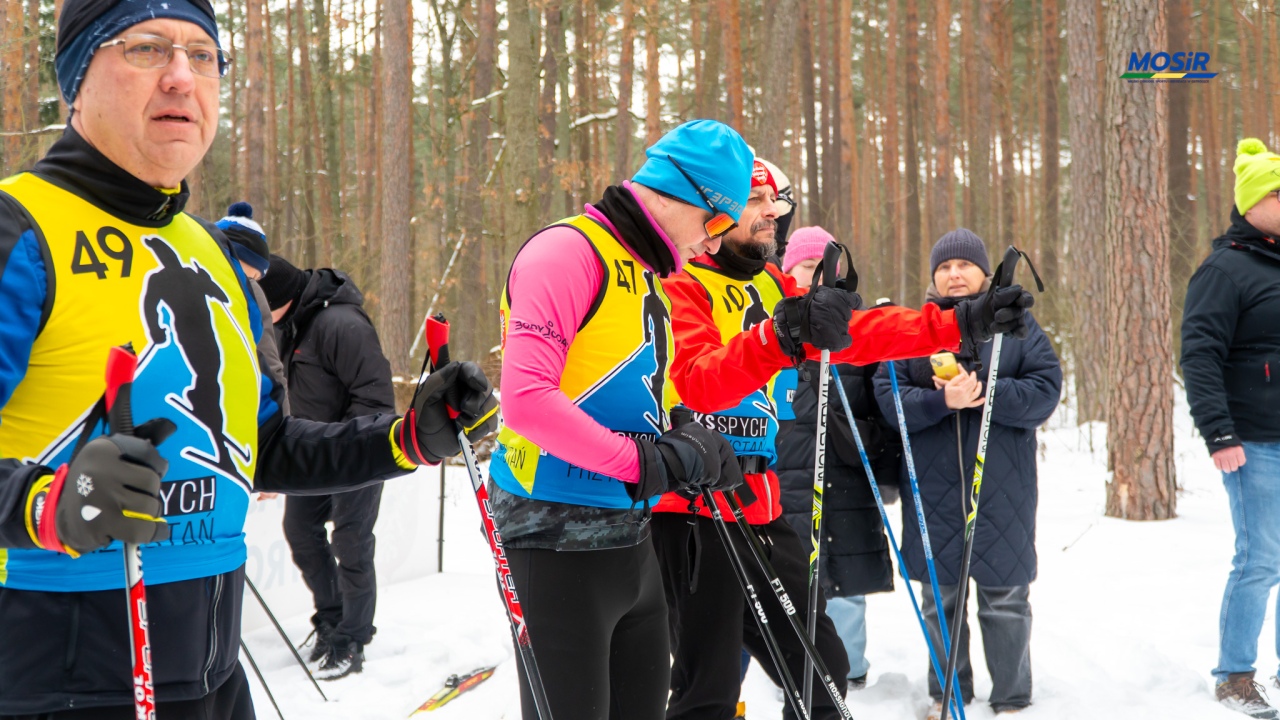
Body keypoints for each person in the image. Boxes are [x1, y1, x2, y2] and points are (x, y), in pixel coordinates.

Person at [0, 1, 497, 716]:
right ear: (77, 78)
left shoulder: (216, 256)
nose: (181, 76)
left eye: (203, 56)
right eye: (147, 48)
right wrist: (47, 506)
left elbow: (259, 450)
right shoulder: (19, 229)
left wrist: (406, 439)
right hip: (49, 680)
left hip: (213, 677)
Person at [652, 160, 1037, 720]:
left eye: (776, 203)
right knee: (708, 686)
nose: (772, 214)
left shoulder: (771, 285)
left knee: (822, 670)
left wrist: (959, 323)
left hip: (759, 506)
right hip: (693, 508)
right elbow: (700, 381)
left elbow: (858, 332)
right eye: (755, 202)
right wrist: (779, 335)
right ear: (716, 211)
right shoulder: (678, 284)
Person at [491, 119, 751, 720]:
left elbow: (635, 382)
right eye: (716, 223)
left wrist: (687, 432)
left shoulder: (651, 272)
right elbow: (527, 398)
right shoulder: (566, 252)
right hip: (552, 537)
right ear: (678, 191)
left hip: (631, 542)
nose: (713, 246)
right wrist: (642, 462)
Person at [872, 229, 1061, 719]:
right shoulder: (912, 330)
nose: (954, 274)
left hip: (1003, 489)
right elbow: (890, 399)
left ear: (983, 273)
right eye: (944, 267)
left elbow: (1045, 391)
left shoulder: (1015, 325)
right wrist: (941, 401)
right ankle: (948, 692)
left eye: (964, 266)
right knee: (940, 598)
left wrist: (983, 394)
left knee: (1005, 599)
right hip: (932, 491)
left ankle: (1012, 698)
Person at [775, 226, 900, 692]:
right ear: (788, 271)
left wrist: (877, 460)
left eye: (826, 268)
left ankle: (848, 668)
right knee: (792, 578)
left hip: (844, 473)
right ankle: (794, 666)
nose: (817, 276)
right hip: (786, 475)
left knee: (846, 580)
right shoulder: (773, 324)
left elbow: (881, 406)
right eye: (808, 266)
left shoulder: (856, 326)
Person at [259, 254, 395, 680]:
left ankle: (353, 637)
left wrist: (348, 451)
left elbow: (377, 398)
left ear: (281, 300)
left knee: (351, 541)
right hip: (313, 453)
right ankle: (332, 618)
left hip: (357, 451)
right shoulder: (287, 326)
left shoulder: (341, 324)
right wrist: (276, 456)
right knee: (300, 530)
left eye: (263, 306)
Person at [1182, 138, 1280, 720]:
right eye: (1278, 192)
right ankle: (1235, 676)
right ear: (1251, 202)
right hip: (1254, 442)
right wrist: (1219, 432)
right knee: (1261, 560)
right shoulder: (1224, 270)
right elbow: (1199, 355)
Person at [216, 201, 288, 415]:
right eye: (255, 274)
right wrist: (283, 424)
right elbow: (270, 367)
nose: (254, 280)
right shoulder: (248, 290)